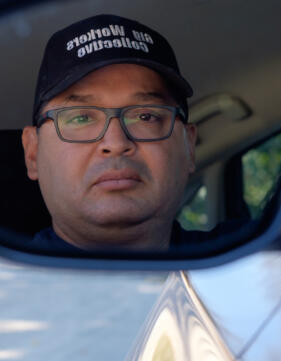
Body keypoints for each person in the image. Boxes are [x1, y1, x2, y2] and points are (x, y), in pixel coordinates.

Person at [21, 13, 198, 251]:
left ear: (189, 146)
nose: (115, 142)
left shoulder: (250, 264)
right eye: (81, 117)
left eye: (145, 116)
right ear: (33, 153)